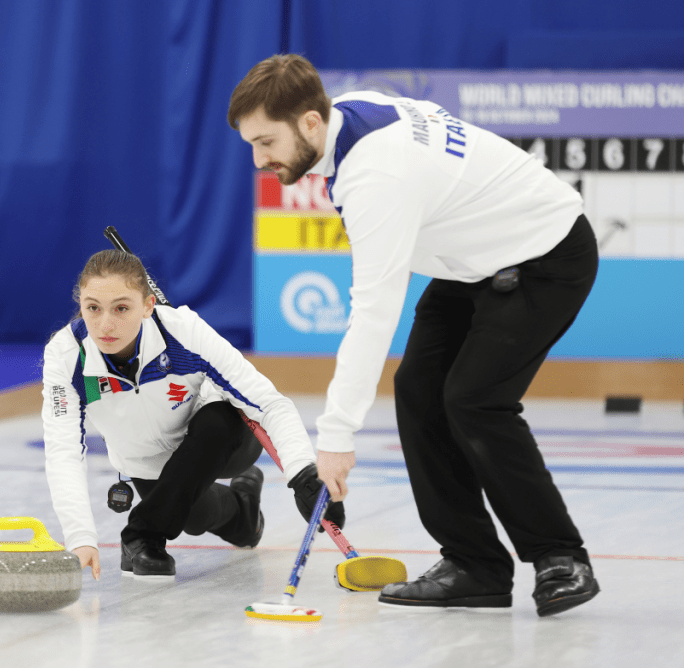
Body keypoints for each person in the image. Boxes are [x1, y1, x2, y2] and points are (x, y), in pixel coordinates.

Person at [228, 54, 600, 616]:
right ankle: (473, 565)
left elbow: (374, 311)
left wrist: (336, 437)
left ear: (309, 122)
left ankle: (560, 558)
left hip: (544, 252)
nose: (259, 160)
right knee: (419, 391)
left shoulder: (376, 175)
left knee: (475, 401)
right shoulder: (351, 115)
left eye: (266, 142)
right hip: (471, 261)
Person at [41, 249, 344, 579]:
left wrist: (303, 474)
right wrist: (80, 537)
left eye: (121, 308)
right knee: (197, 518)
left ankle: (142, 535)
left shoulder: (183, 331)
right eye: (93, 308)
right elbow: (63, 451)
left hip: (222, 439)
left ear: (148, 306)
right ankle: (244, 512)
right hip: (147, 462)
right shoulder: (66, 356)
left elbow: (269, 403)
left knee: (217, 423)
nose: (105, 324)